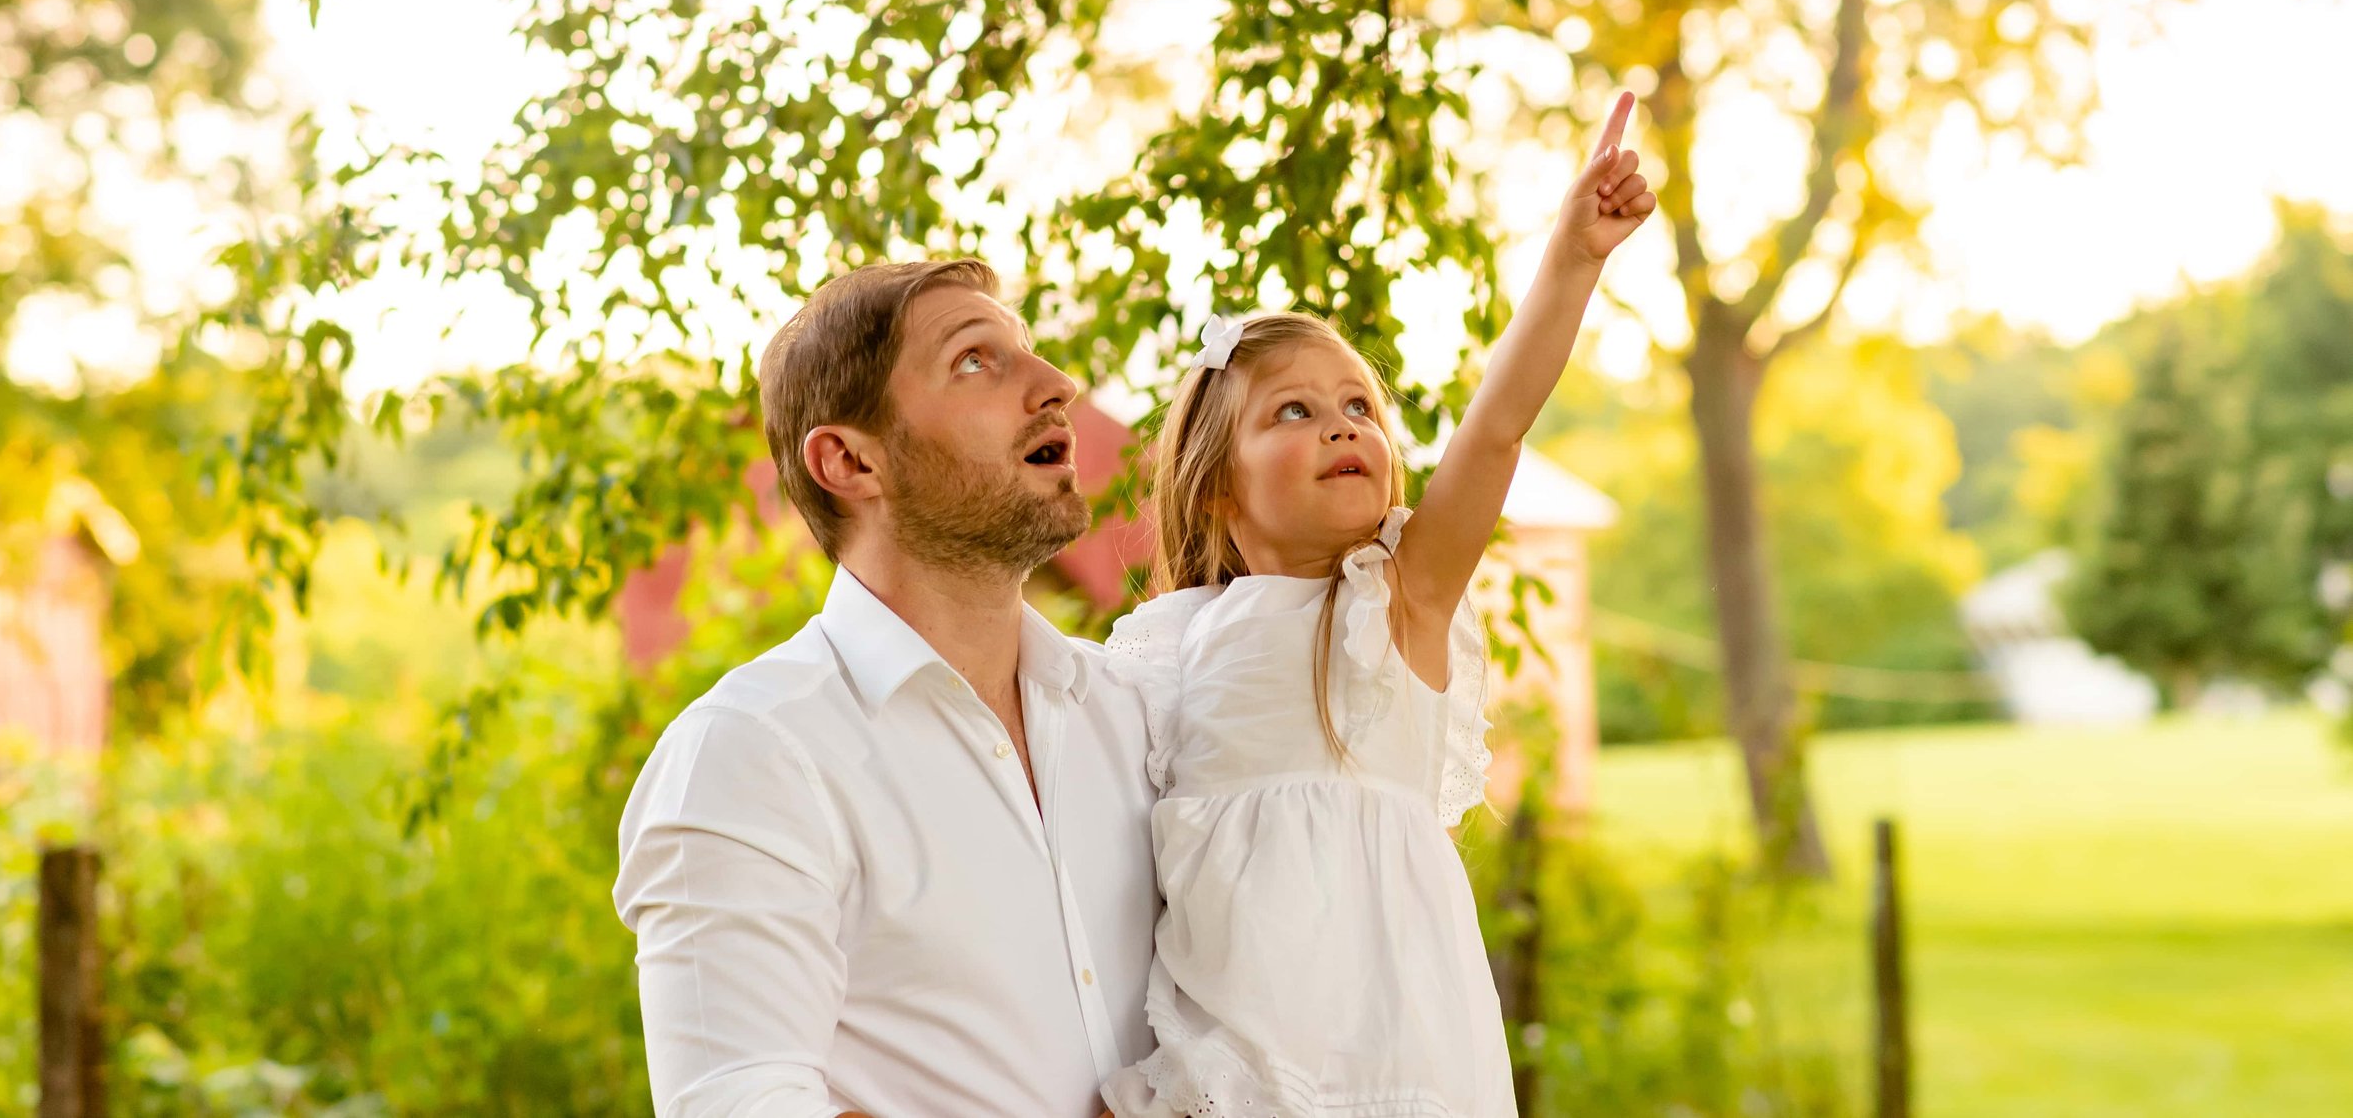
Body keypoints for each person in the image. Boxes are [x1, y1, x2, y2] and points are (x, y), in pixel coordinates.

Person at [1099, 95, 1656, 1118]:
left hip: (1395, 1048)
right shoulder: (1163, 646)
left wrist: (1573, 260)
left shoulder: (1397, 597)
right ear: (1217, 485)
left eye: (1358, 405)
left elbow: (1493, 432)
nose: (1341, 427)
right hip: (1236, 1054)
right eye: (1294, 412)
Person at [613, 258, 1159, 1117]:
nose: (1056, 385)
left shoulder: (1138, 712)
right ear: (850, 462)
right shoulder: (751, 754)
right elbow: (741, 1103)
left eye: (1029, 351)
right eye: (976, 360)